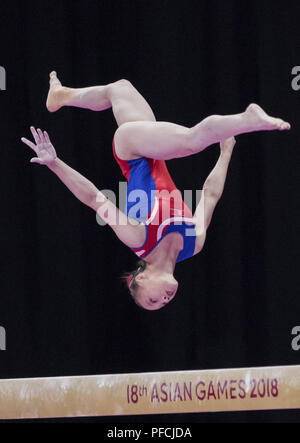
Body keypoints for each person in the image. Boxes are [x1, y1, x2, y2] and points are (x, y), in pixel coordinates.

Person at [21, 72, 290, 310]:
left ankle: (248, 119)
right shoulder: (193, 244)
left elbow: (94, 198)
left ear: (142, 278)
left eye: (152, 300)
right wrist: (226, 152)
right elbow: (209, 195)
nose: (164, 300)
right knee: (119, 89)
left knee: (190, 141)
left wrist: (55, 164)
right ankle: (60, 96)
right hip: (152, 150)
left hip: (131, 152)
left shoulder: (138, 239)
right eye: (163, 303)